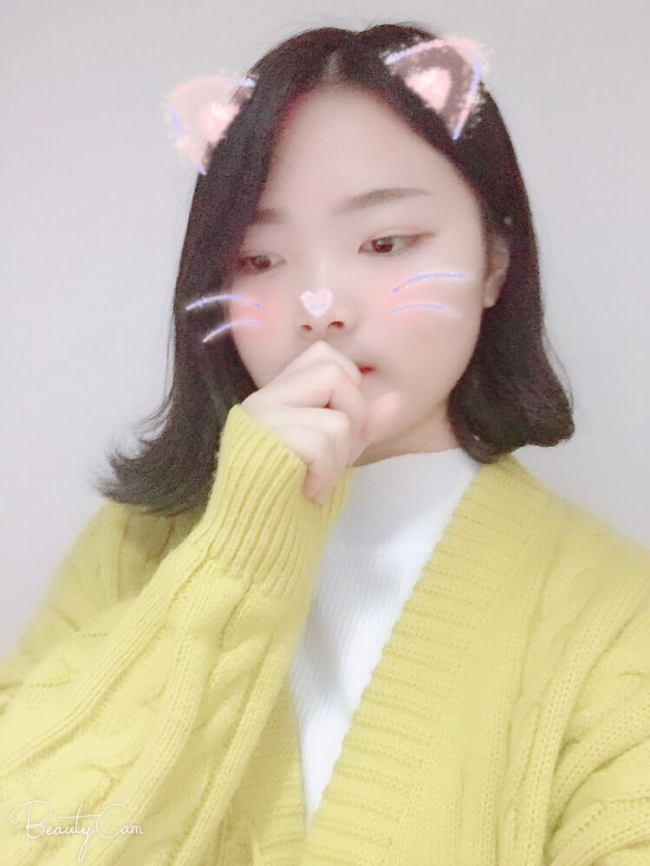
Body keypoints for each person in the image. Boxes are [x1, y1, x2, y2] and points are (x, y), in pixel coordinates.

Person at [1, 20, 649, 866]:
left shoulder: (614, 614)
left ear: (495, 259)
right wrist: (236, 557)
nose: (321, 306)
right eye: (258, 259)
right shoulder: (135, 548)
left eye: (385, 243)